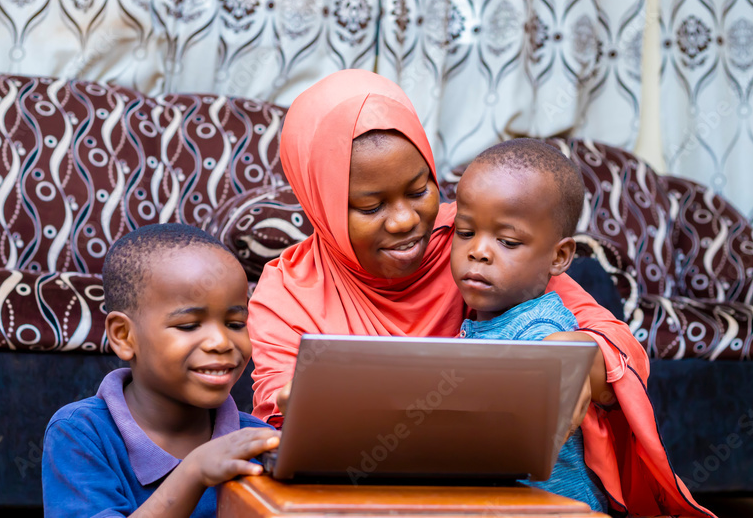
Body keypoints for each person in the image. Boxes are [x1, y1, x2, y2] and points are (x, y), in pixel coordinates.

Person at [247, 69, 713, 517]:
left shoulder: (474, 238)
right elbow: (280, 415)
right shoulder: (288, 289)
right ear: (319, 202)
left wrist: (583, 357)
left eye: (419, 188)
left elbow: (612, 344)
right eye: (370, 206)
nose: (406, 220)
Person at [42, 224, 278, 518]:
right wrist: (193, 473)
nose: (221, 342)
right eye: (189, 325)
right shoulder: (82, 434)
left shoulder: (257, 440)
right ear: (124, 336)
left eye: (235, 324)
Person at [450, 138, 607, 512]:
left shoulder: (537, 327)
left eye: (506, 241)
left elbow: (551, 350)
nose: (479, 251)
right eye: (466, 232)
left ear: (559, 256)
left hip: (557, 507)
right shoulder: (481, 320)